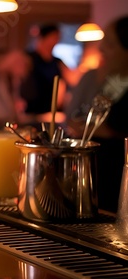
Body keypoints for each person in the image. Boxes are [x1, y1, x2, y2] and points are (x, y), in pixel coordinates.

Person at [66, 15, 128, 213]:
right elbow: (80, 115)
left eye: (109, 44)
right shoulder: (114, 81)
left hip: (119, 191)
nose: (100, 49)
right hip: (102, 186)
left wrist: (103, 131)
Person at [19, 24, 69, 125]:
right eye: (53, 37)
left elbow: (66, 81)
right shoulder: (29, 58)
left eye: (57, 38)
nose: (56, 41)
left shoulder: (57, 62)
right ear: (43, 38)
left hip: (51, 112)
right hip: (31, 112)